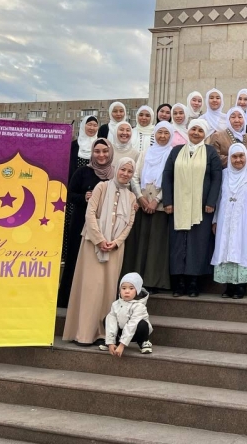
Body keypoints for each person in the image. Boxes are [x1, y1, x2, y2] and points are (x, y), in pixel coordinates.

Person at [62, 157, 138, 346]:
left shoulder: (131, 197)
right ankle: (84, 334)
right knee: (90, 288)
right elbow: (90, 213)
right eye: (123, 169)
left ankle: (103, 333)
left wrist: (116, 242)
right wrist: (99, 239)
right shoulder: (101, 187)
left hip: (115, 249)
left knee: (108, 291)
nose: (125, 174)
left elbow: (129, 223)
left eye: (129, 171)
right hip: (92, 244)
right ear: (116, 169)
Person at [163, 118, 222, 298]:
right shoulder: (176, 151)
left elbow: (216, 178)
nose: (196, 133)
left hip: (201, 207)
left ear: (205, 134)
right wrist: (168, 202)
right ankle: (179, 283)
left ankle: (193, 282)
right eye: (193, 129)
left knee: (198, 243)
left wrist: (211, 202)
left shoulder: (210, 152)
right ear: (188, 131)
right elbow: (167, 176)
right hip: (179, 205)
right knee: (178, 244)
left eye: (200, 130)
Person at [58, 138, 114, 308]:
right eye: (97, 151)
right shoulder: (83, 172)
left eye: (105, 151)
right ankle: (68, 299)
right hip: (81, 223)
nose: (101, 155)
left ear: (110, 152)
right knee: (75, 259)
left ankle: (93, 301)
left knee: (97, 261)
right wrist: (84, 197)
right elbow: (69, 194)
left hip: (104, 225)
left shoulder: (114, 174)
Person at [122, 122, 174, 291]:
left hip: (160, 206)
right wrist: (140, 197)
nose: (162, 136)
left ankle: (154, 281)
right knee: (140, 243)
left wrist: (157, 200)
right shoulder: (146, 152)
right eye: (159, 132)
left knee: (157, 245)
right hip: (142, 204)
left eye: (166, 133)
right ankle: (136, 281)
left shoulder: (172, 154)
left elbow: (172, 180)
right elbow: (135, 176)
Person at [212, 143, 247, 299]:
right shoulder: (224, 174)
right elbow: (218, 199)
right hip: (225, 219)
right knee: (225, 248)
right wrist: (215, 220)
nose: (238, 160)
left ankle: (241, 286)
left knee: (244, 249)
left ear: (246, 156)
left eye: (241, 156)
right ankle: (229, 286)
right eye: (234, 157)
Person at [101, 272, 153, 356]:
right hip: (122, 331)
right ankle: (115, 342)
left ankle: (143, 342)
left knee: (142, 324)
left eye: (131, 288)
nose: (127, 291)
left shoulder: (140, 306)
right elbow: (111, 323)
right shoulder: (115, 304)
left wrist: (122, 345)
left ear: (137, 291)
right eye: (124, 288)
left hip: (136, 333)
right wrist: (110, 342)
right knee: (108, 318)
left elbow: (132, 324)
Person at [69, 115, 98, 181]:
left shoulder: (100, 145)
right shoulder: (73, 145)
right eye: (89, 124)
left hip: (95, 183)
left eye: (95, 125)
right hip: (75, 182)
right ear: (83, 126)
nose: (92, 128)